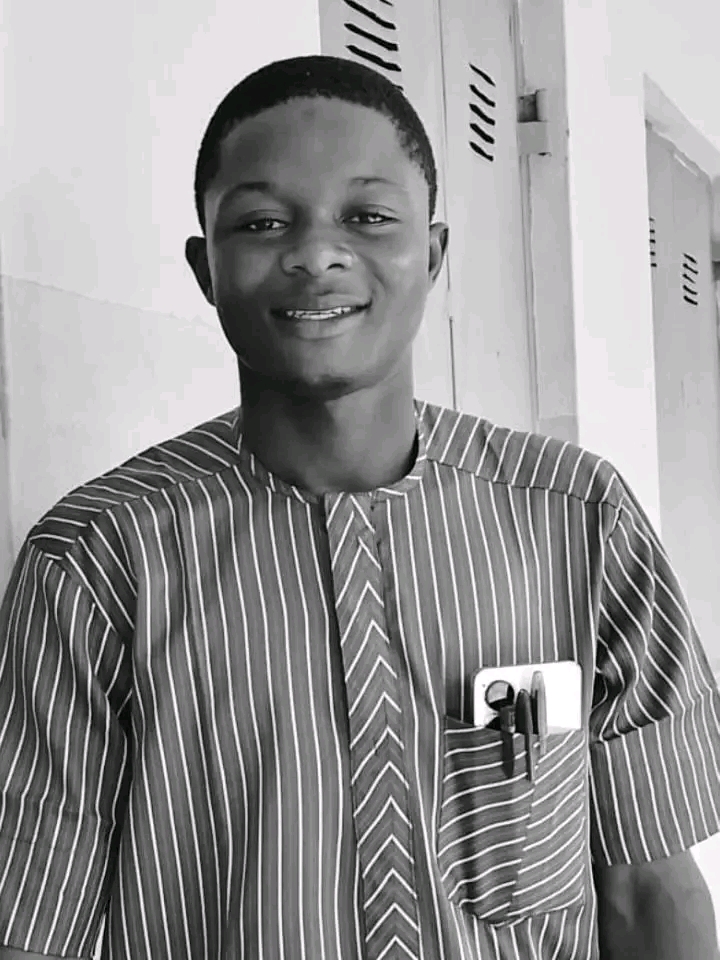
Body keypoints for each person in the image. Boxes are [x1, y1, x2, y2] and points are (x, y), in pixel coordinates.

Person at [0, 54, 719, 960]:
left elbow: (650, 891)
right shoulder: (96, 561)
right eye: (262, 222)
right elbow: (37, 925)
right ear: (204, 268)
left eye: (369, 217)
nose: (316, 254)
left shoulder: (581, 521)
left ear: (435, 254)